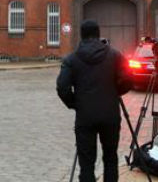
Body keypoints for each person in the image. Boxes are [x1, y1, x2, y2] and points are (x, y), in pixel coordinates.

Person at [56, 20, 131, 182]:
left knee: (87, 163)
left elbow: (62, 87)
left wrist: (74, 103)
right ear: (98, 35)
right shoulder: (115, 55)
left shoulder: (72, 59)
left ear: (81, 36)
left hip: (85, 116)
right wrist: (115, 92)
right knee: (110, 158)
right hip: (110, 115)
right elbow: (129, 78)